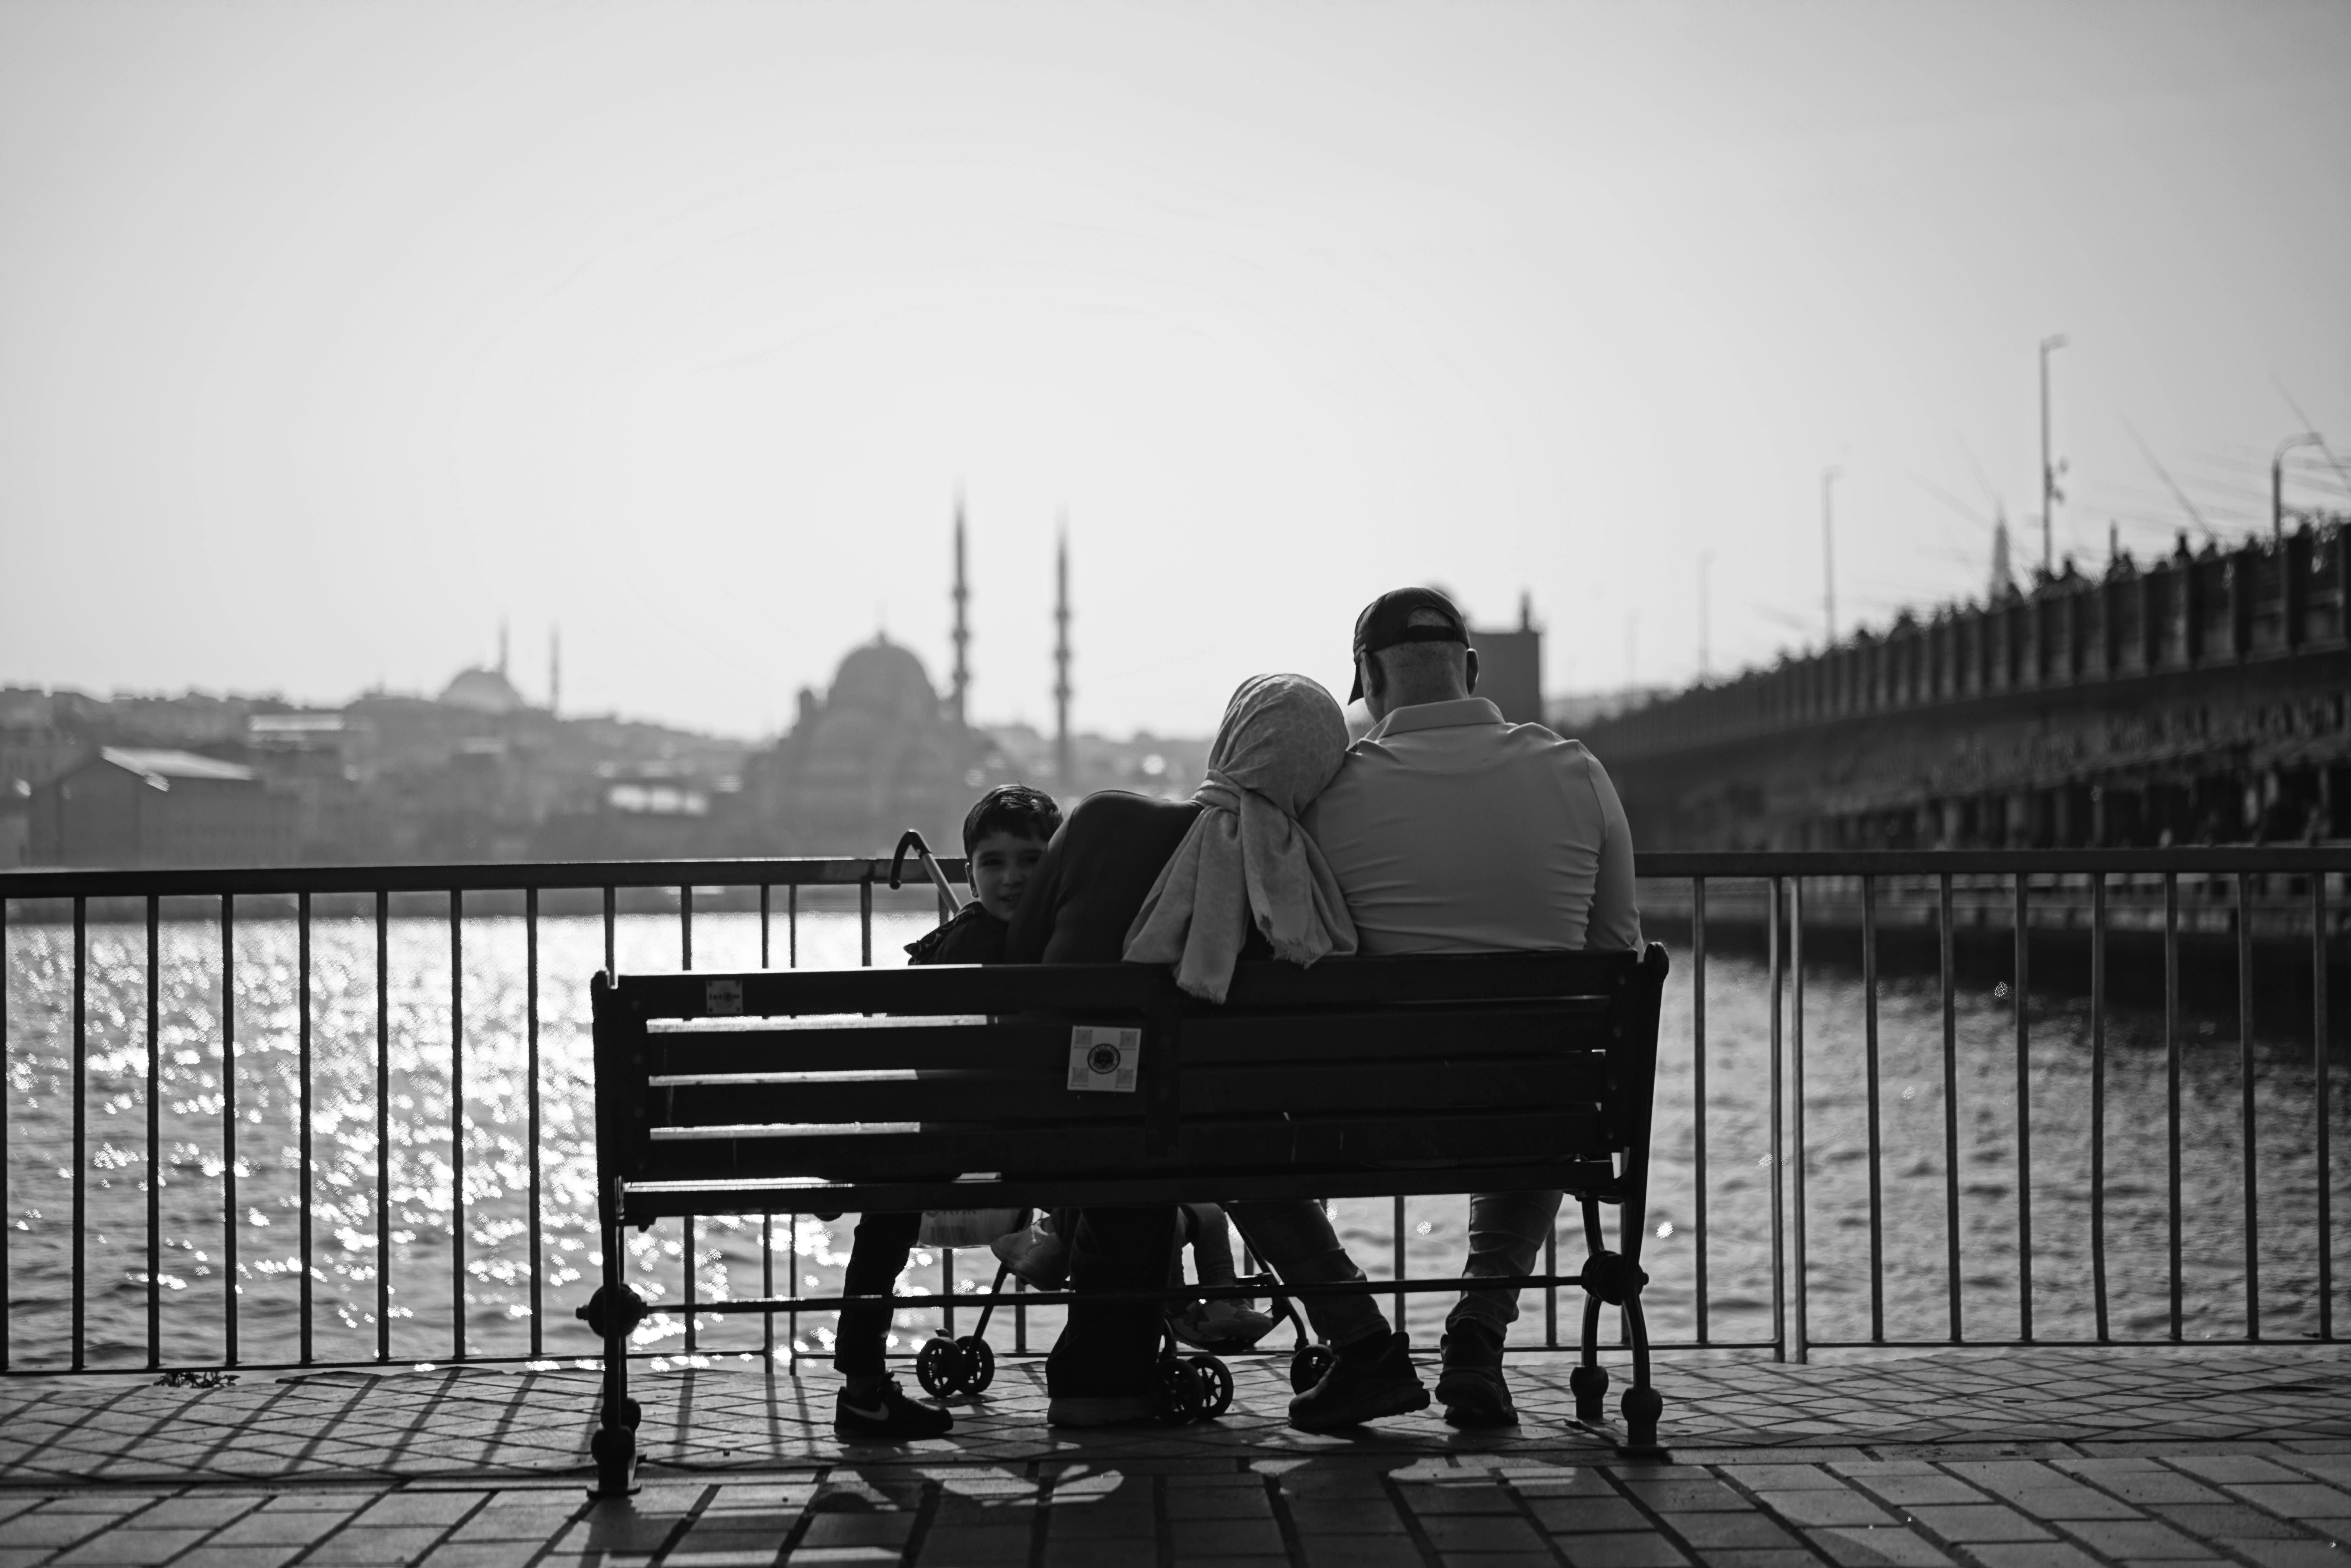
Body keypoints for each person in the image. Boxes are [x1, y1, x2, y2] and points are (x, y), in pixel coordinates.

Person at [1006, 672, 1427, 1431]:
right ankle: (1356, 1344)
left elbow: (1017, 968)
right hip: (1204, 1134)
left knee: (1125, 1110)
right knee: (1195, 1131)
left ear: (1231, 737)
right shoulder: (1290, 887)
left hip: (1058, 1119)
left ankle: (1101, 1369)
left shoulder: (1104, 819)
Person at [1304, 586, 1641, 1428]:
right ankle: (1478, 1337)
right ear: (1473, 670)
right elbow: (1617, 950)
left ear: (1368, 679)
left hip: (1366, 1119)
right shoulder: (1579, 771)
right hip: (1547, 1113)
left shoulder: (1331, 793)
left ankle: (1362, 1345)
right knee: (1537, 1082)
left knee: (1221, 1135)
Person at [831, 785, 1060, 1439]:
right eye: (995, 863)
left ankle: (862, 1388)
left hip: (961, 1142)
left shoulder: (959, 942)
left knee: (888, 1208)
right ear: (971, 871)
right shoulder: (1070, 938)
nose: (1012, 877)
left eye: (1029, 860)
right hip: (1049, 1141)